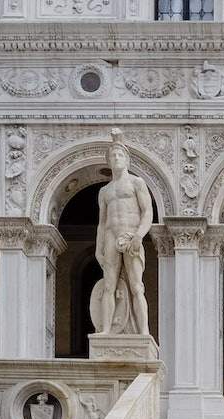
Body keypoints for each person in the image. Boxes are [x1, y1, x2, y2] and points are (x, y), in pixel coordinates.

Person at [91, 128, 153, 335]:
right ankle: (107, 330)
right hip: (110, 236)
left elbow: (147, 212)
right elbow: (101, 223)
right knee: (109, 286)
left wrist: (139, 236)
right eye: (112, 156)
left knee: (137, 287)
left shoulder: (137, 183)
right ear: (109, 161)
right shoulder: (104, 191)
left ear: (127, 160)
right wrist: (98, 249)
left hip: (130, 235)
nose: (116, 158)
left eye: (119, 155)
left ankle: (144, 332)